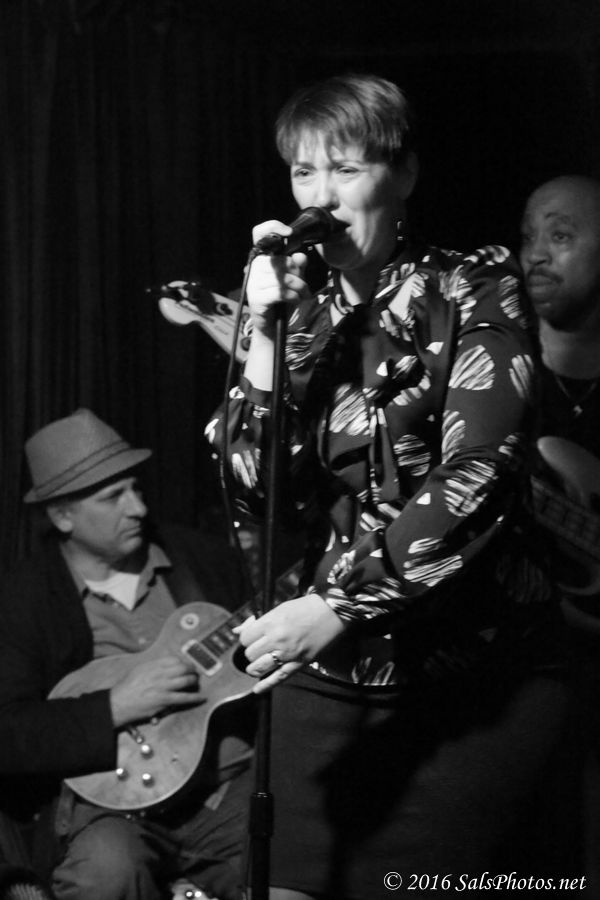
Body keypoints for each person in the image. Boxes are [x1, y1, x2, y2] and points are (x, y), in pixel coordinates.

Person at [204, 73, 570, 900]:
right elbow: (252, 493)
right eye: (304, 172)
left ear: (402, 175)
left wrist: (337, 605)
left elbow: (480, 471)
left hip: (471, 680)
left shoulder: (473, 284)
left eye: (346, 169)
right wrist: (265, 339)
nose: (321, 196)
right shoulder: (299, 317)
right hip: (331, 672)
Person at [0, 409, 255, 900]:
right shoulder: (23, 599)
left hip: (227, 792)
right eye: (112, 497)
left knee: (293, 861)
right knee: (106, 874)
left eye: (135, 488)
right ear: (62, 516)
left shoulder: (203, 560)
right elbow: (8, 732)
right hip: (112, 811)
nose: (137, 508)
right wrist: (114, 706)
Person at [520, 174, 600, 891]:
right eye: (529, 237)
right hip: (521, 676)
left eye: (562, 235)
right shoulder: (495, 366)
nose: (536, 254)